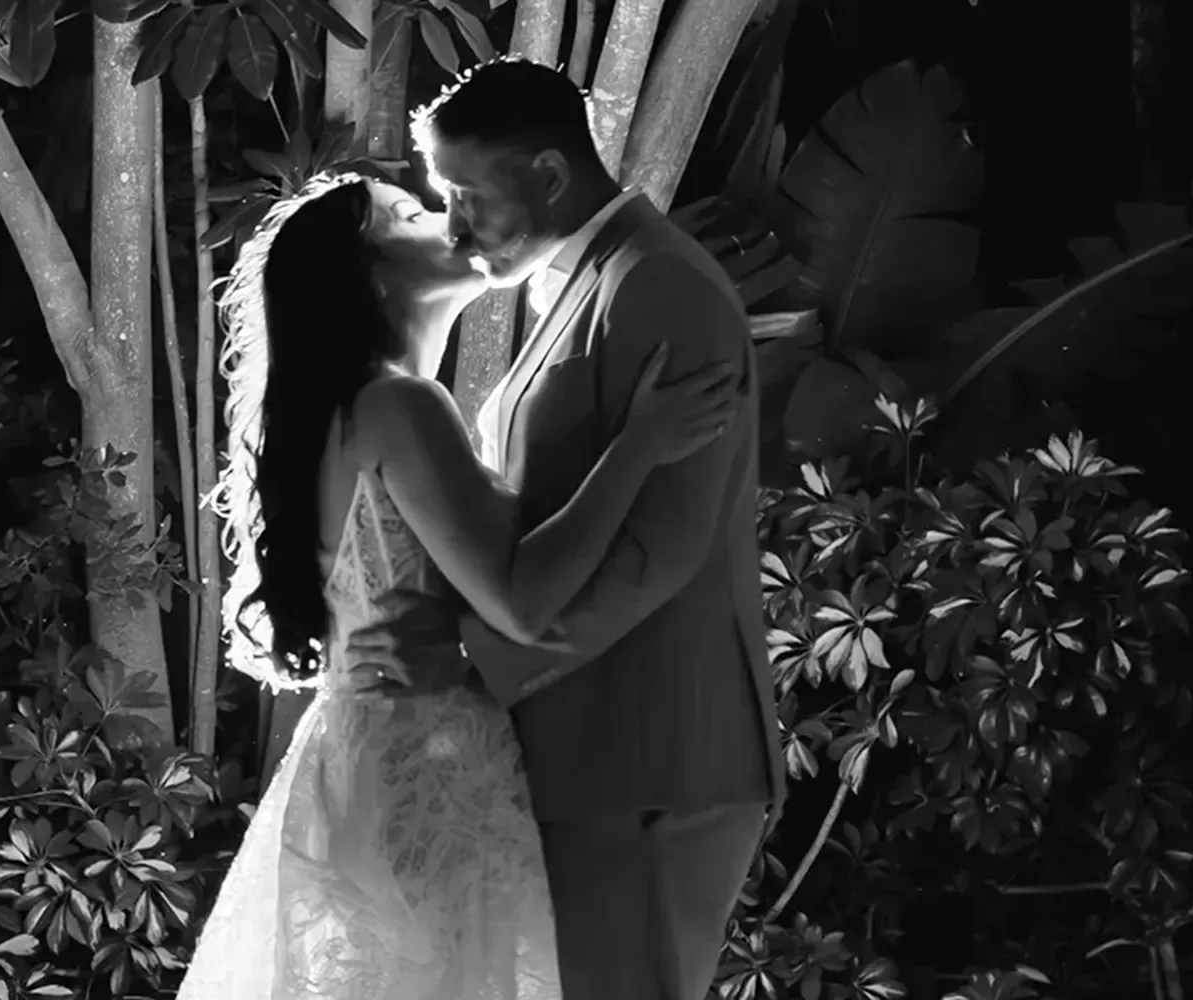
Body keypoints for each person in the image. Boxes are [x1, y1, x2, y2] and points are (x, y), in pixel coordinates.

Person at [177, 169, 742, 1000]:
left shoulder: (346, 412)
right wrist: (637, 448)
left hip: (359, 752)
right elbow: (519, 597)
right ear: (370, 273)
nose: (446, 214)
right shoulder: (402, 405)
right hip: (427, 758)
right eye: (408, 212)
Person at [347, 56, 790, 1000]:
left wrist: (476, 664)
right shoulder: (591, 274)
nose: (457, 227)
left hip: (647, 752)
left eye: (466, 196)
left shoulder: (658, 285)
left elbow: (659, 550)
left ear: (548, 174)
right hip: (595, 747)